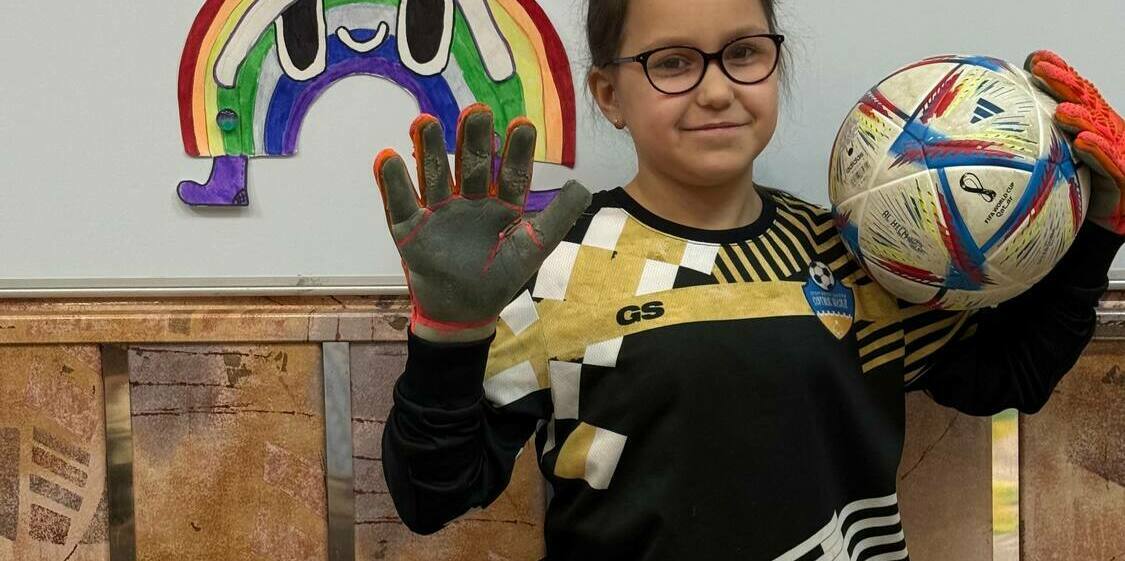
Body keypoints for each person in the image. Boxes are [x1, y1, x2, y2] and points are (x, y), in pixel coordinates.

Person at [371, 0, 1125, 558]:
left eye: (743, 53)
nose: (715, 90)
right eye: (671, 62)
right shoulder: (551, 265)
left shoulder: (864, 253)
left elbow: (1007, 378)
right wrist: (447, 335)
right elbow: (432, 496)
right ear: (607, 94)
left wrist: (1101, 227)